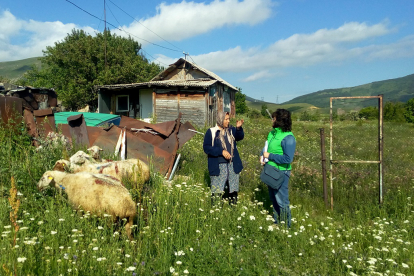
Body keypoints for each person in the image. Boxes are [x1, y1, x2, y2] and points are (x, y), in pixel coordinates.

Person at [260, 109, 296, 228]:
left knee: (282, 200)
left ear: (279, 121)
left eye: (274, 118)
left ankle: (286, 226)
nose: (272, 120)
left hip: (281, 172)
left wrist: (269, 156)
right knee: (273, 198)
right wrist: (262, 155)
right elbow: (266, 147)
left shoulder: (288, 138)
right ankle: (277, 221)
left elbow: (287, 159)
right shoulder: (273, 133)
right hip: (270, 170)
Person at [203, 111, 244, 205]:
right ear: (220, 119)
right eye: (226, 119)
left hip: (232, 164)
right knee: (217, 189)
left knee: (232, 189)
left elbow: (239, 137)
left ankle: (233, 209)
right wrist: (221, 151)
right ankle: (216, 209)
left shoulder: (230, 130)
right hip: (218, 165)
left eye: (228, 119)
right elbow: (206, 148)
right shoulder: (212, 132)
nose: (228, 121)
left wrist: (238, 128)